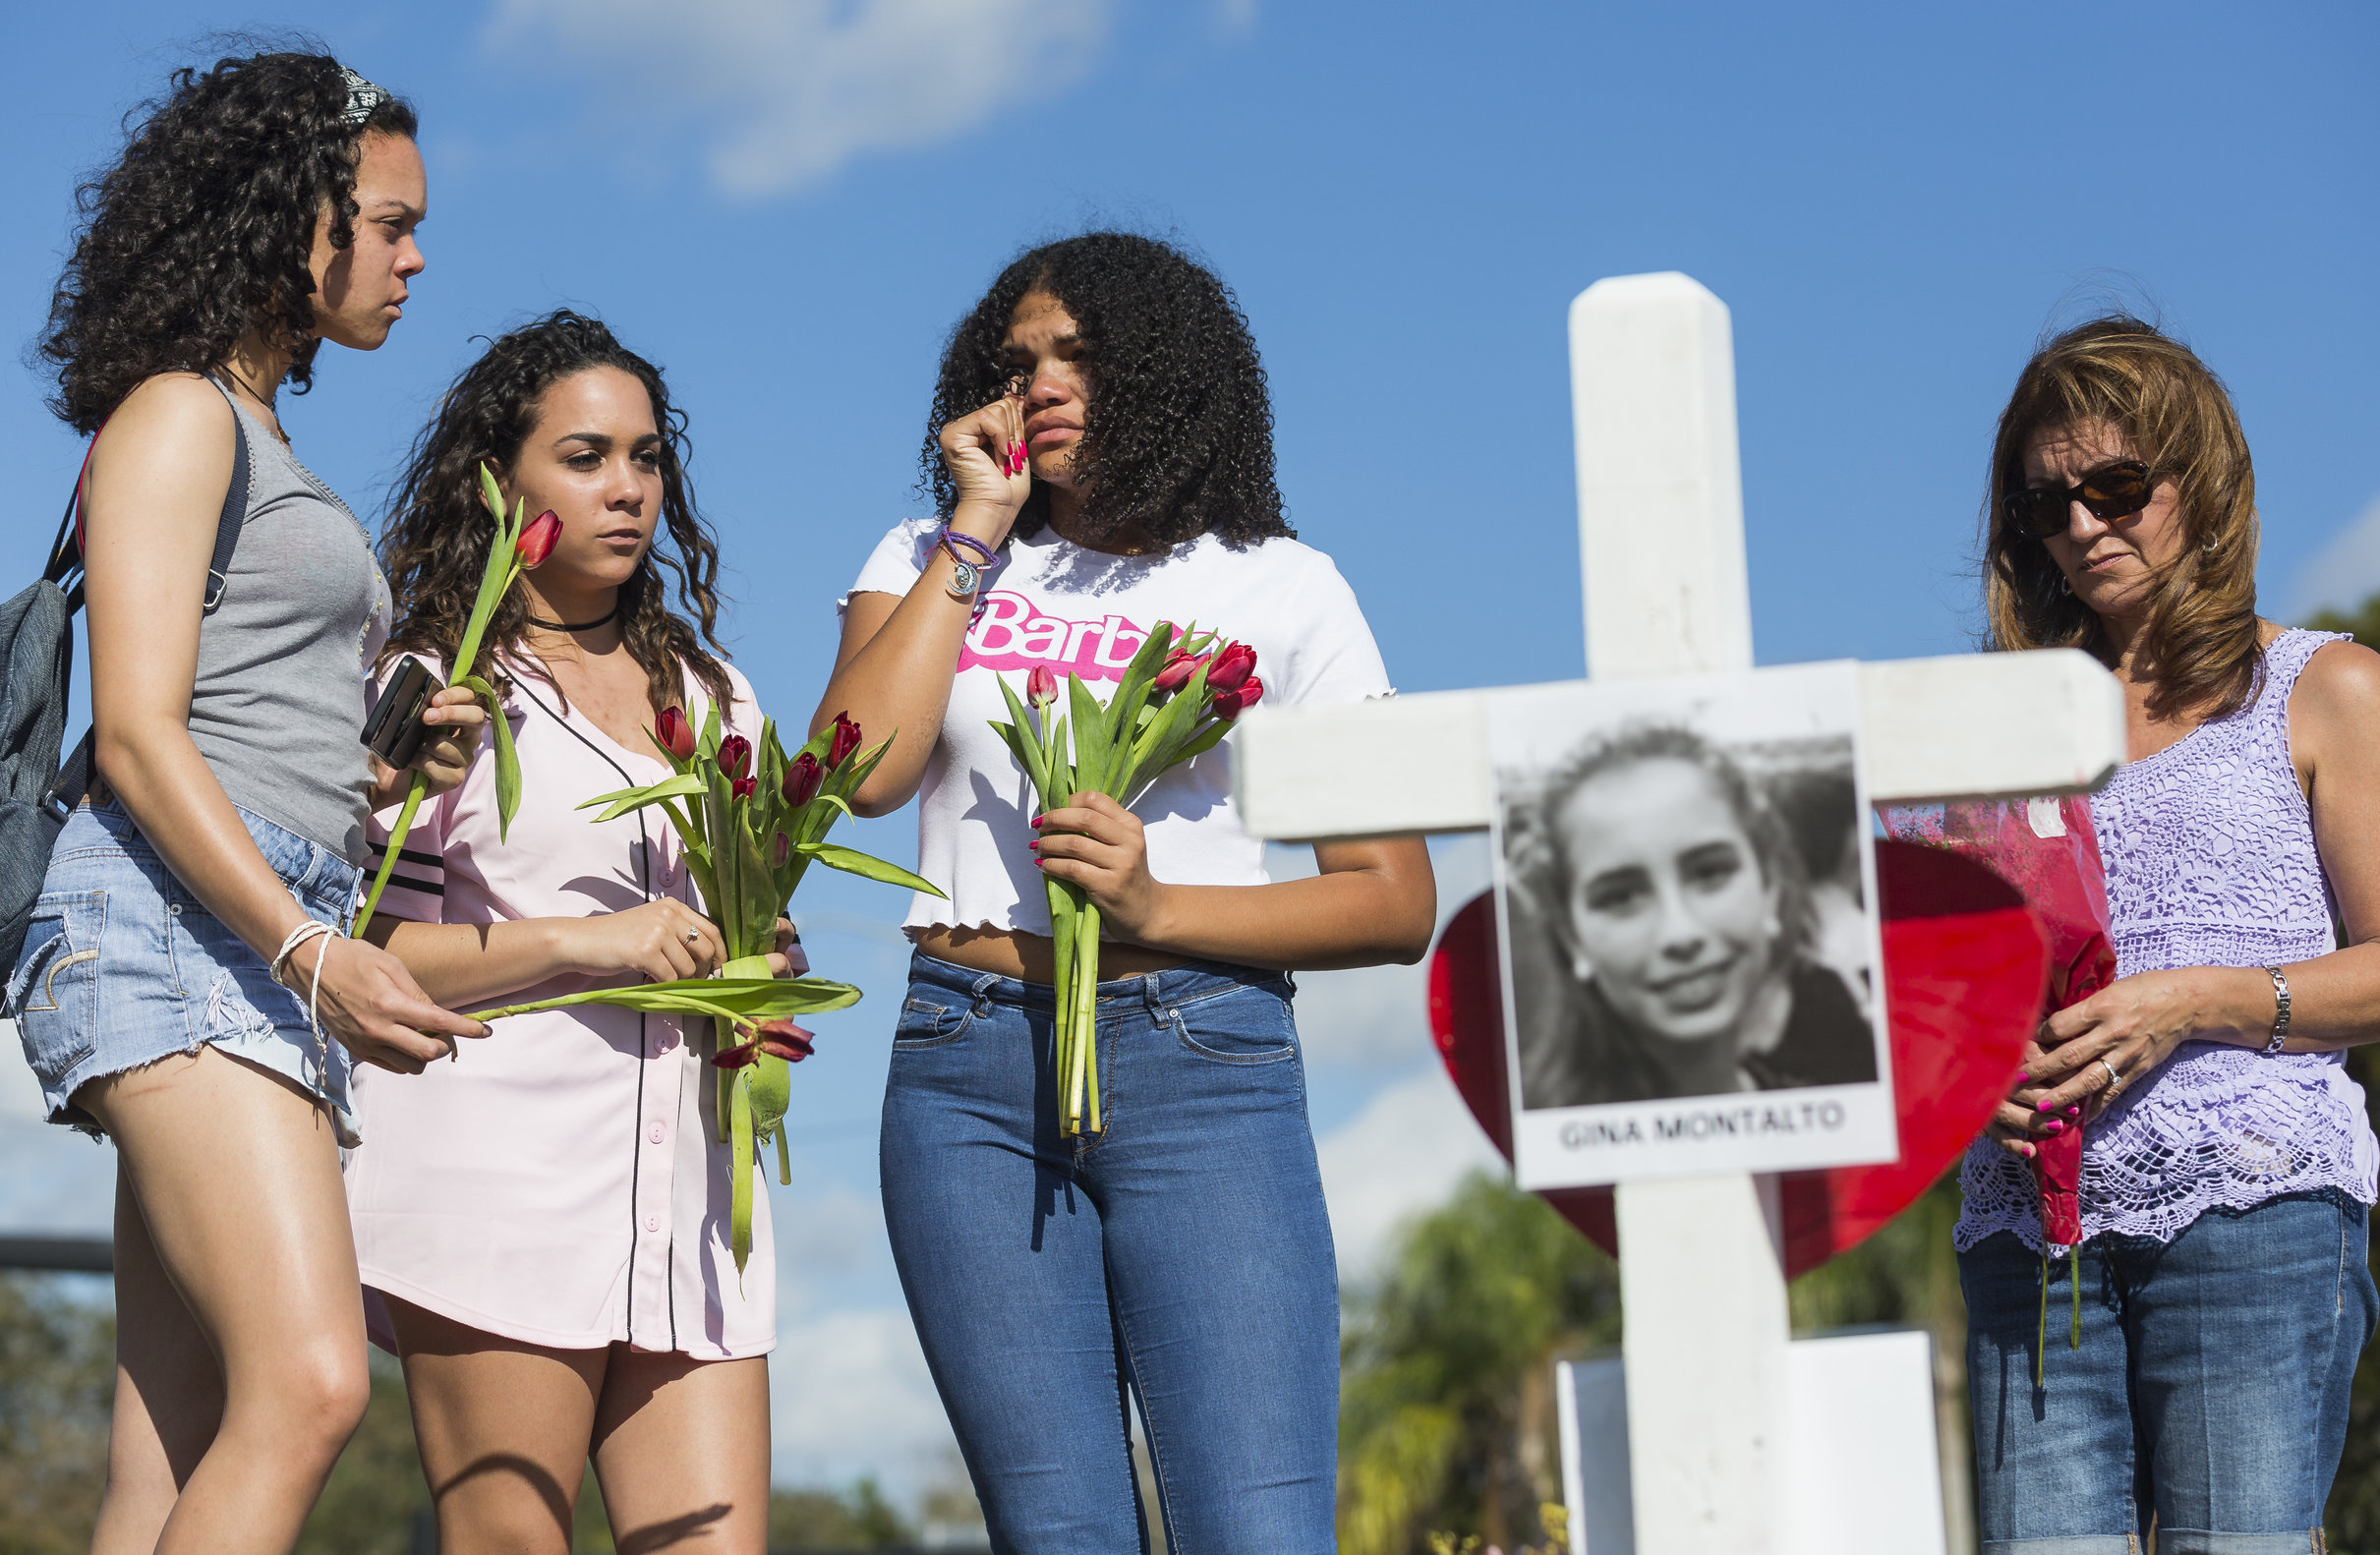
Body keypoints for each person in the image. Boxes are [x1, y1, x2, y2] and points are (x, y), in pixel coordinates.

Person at [818, 231, 1436, 1553]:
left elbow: (1391, 899)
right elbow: (858, 773)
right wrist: (974, 531)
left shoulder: (1281, 583)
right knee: (1060, 1537)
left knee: (1257, 1533)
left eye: (1078, 356)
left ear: (1164, 374)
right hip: (963, 1071)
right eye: (1018, 359)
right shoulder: (924, 551)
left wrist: (1157, 907)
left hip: (1201, 1066)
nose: (1040, 381)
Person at [9, 50, 488, 1555]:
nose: (416, 259)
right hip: (175, 931)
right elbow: (142, 736)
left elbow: (238, 728)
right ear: (294, 217)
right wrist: (311, 950)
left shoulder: (263, 437)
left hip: (245, 923)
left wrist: (386, 770)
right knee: (308, 1381)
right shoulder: (176, 415)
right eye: (389, 222)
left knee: (176, 1453)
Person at [1959, 317, 2380, 1550]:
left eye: (2115, 485)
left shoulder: (2324, 686)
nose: (2083, 525)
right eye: (2046, 503)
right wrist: (1972, 1068)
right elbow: (1932, 974)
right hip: (2032, 1233)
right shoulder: (1986, 729)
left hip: (2255, 1218)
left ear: (2199, 478)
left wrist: (2193, 1000)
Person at [348, 313, 796, 1555]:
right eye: (587, 457)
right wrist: (589, 944)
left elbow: (747, 915)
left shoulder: (711, 695)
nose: (629, 490)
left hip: (696, 1200)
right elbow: (377, 967)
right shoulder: (435, 682)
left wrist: (762, 961)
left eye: (647, 459)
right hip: (497, 1183)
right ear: (502, 485)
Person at [1507, 724, 1876, 1107]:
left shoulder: (1818, 1111)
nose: (1679, 933)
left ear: (1769, 887)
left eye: (1710, 874)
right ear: (1571, 937)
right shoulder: (1555, 1145)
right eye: (1620, 897)